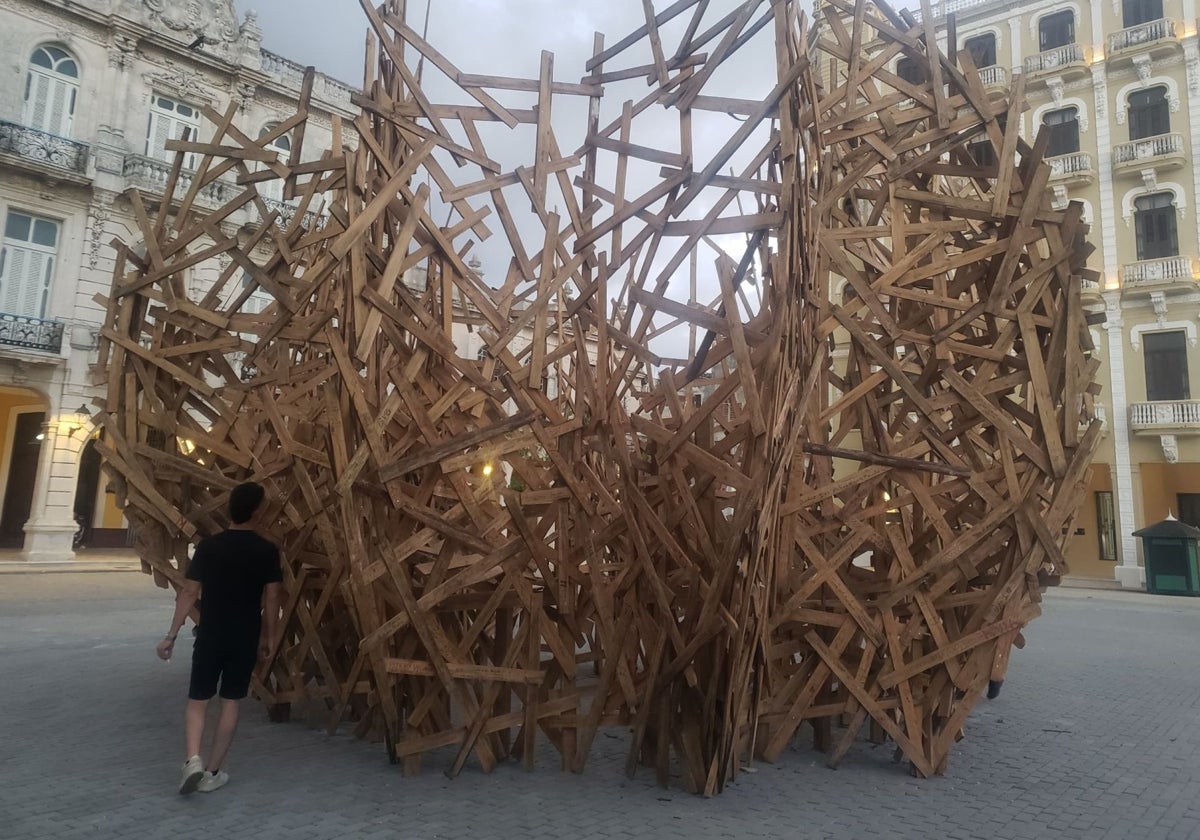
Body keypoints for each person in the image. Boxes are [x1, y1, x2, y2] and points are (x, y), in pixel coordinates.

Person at [155, 482, 282, 795]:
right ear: (257, 512)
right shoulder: (267, 551)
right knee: (230, 702)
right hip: (245, 635)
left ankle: (192, 760)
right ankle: (212, 772)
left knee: (198, 700)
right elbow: (272, 599)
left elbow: (188, 592)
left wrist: (171, 634)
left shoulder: (209, 547)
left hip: (210, 633)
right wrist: (269, 636)